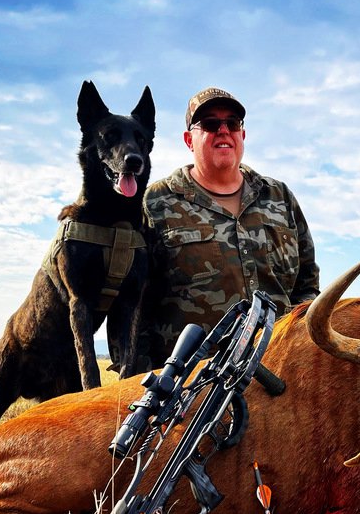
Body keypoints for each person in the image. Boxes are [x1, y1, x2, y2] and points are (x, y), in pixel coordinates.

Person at [136, 87, 320, 369]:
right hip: (190, 388)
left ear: (242, 135)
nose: (223, 130)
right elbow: (134, 303)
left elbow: (307, 284)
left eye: (232, 123)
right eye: (210, 124)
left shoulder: (279, 197)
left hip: (282, 375)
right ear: (189, 140)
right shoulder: (155, 203)